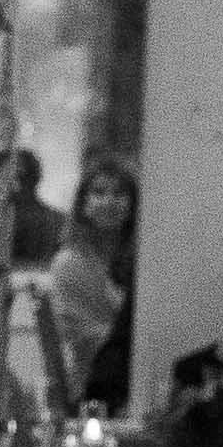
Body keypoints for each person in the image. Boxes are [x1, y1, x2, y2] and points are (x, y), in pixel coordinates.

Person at [45, 152, 138, 411]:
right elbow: (81, 337)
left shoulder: (144, 263)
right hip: (94, 388)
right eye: (99, 193)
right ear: (83, 204)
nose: (109, 202)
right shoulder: (69, 263)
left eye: (119, 194)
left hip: (139, 381)